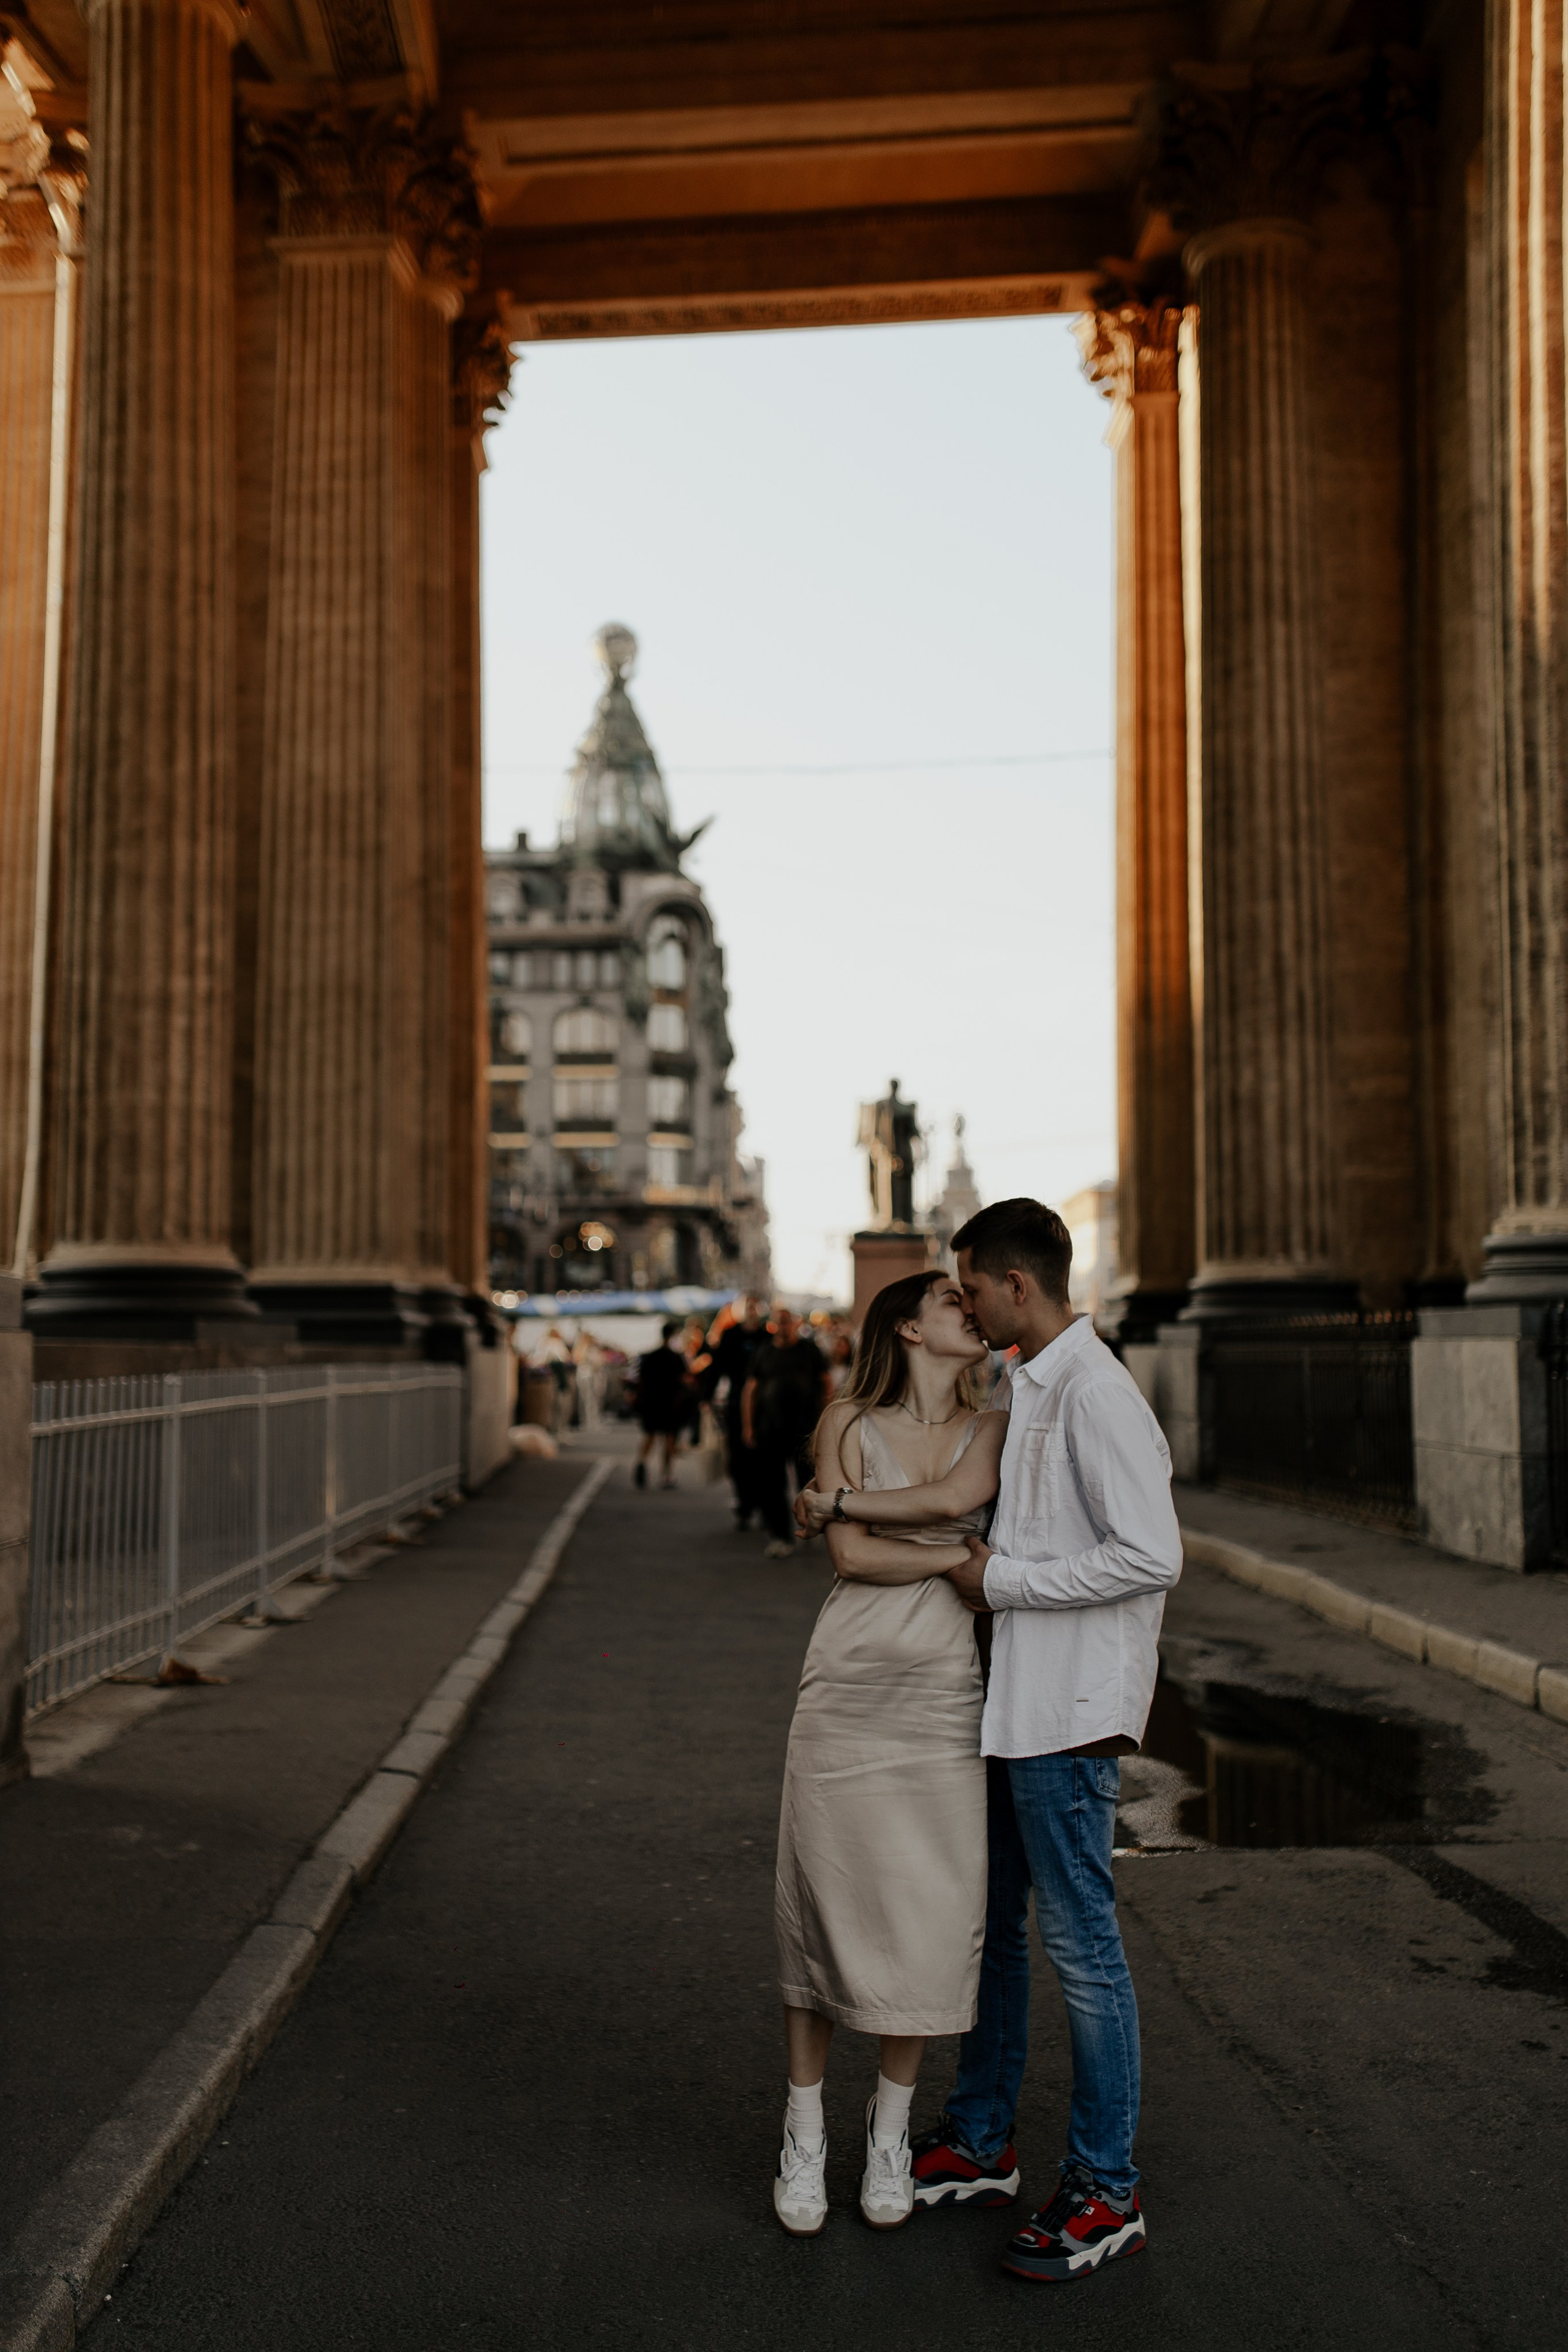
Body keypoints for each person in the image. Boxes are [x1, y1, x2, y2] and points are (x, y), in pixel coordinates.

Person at [797, 1197, 1181, 2284]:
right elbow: (975, 1506)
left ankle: (1106, 2191)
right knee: (995, 1936)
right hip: (1009, 1705)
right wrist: (852, 1508)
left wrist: (1002, 1580)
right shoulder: (1028, 1386)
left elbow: (1151, 1555)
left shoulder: (1095, 1392)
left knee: (1084, 1951)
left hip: (1068, 1714)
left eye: (972, 1289)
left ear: (1017, 1286)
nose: (967, 1306)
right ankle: (980, 2139)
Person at [772, 1271, 1002, 2237]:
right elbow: (854, 1558)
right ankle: (803, 2130)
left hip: (943, 1695)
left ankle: (891, 2132)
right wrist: (956, 1559)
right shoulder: (845, 1418)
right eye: (954, 1299)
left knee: (928, 1912)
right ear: (908, 1326)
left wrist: (846, 1503)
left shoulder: (992, 1427)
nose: (973, 1309)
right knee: (824, 1903)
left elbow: (955, 1495)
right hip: (849, 1681)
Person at [741, 1306, 831, 1559]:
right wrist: (748, 1426)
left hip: (805, 1429)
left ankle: (809, 1525)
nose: (784, 1326)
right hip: (770, 1430)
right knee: (772, 1485)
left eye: (787, 1322)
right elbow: (751, 1390)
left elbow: (826, 1384)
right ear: (773, 1326)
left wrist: (826, 1420)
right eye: (779, 1322)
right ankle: (780, 1536)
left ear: (794, 1324)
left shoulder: (809, 1351)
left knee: (808, 1483)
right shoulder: (764, 1352)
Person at [701, 1295, 767, 1528]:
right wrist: (707, 1397)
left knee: (763, 1459)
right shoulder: (730, 1336)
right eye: (748, 1306)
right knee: (738, 1458)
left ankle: (764, 1505)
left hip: (763, 1407)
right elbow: (717, 1367)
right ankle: (744, 1505)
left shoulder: (767, 1337)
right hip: (736, 1403)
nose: (751, 1311)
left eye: (754, 1306)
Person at [632, 1318, 691, 1490]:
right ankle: (667, 1475)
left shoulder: (650, 1356)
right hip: (670, 1402)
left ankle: (642, 1461)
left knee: (650, 1435)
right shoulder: (676, 1358)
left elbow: (641, 1381)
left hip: (652, 1402)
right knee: (669, 1438)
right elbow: (685, 1378)